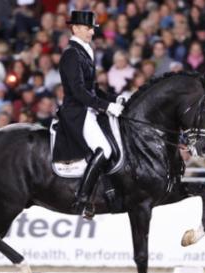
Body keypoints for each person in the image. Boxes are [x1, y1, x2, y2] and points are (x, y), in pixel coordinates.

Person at [54, 10, 124, 219]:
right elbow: (78, 92)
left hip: (89, 108)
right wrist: (105, 107)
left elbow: (92, 89)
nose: (92, 32)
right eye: (88, 28)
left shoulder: (86, 51)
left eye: (93, 28)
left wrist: (114, 100)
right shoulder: (71, 54)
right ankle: (82, 200)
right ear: (75, 28)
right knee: (104, 150)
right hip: (77, 111)